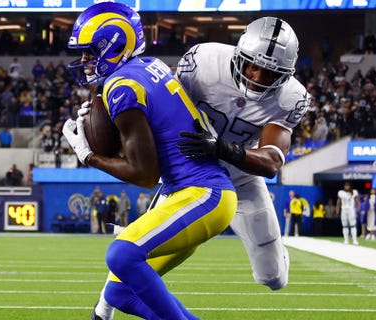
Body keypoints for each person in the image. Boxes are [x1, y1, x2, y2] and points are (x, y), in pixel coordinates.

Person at [89, 15, 306, 320]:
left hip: (242, 176)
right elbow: (164, 106)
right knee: (129, 256)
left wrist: (223, 148)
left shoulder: (291, 97)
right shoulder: (205, 62)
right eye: (252, 65)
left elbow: (271, 161)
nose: (257, 76)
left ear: (283, 76)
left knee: (273, 277)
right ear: (238, 54)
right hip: (191, 172)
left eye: (270, 73)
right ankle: (102, 311)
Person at [61, 3, 237, 320]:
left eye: (89, 52)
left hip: (201, 193)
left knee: (121, 254)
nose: (84, 61)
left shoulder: (121, 86)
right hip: (195, 192)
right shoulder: (148, 66)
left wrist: (91, 156)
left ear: (114, 44)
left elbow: (144, 174)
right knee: (120, 292)